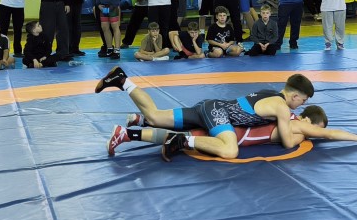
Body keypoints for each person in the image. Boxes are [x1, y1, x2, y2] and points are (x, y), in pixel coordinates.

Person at [95, 67, 316, 161]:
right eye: (303, 101)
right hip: (218, 113)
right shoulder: (282, 106)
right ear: (295, 95)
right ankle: (181, 140)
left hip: (210, 107)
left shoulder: (269, 92)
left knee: (154, 116)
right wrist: (306, 132)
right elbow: (288, 142)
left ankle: (123, 81)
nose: (300, 106)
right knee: (230, 150)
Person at [106, 105, 357, 157]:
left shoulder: (288, 117)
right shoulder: (297, 124)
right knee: (185, 138)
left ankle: (136, 126)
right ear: (307, 119)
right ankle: (129, 132)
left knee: (186, 126)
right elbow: (331, 135)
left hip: (232, 124)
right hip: (236, 134)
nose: (313, 134)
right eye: (314, 129)